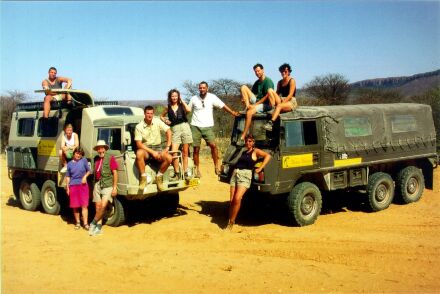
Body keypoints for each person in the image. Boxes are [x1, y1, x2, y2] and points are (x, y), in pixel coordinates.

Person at [188, 81, 239, 178]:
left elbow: (222, 105)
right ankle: (196, 169)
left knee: (213, 146)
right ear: (199, 89)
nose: (202, 89)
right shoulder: (194, 98)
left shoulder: (212, 97)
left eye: (204, 88)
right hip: (195, 126)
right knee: (196, 149)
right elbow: (187, 110)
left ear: (207, 88)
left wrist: (232, 112)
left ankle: (216, 166)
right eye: (200, 88)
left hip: (207, 126)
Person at [226, 135, 271, 231]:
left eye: (250, 141)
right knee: (232, 200)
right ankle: (229, 221)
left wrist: (260, 168)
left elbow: (268, 156)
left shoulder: (256, 151)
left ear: (253, 142)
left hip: (245, 176)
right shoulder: (244, 151)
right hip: (236, 173)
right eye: (247, 141)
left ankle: (232, 223)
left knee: (237, 198)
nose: (248, 143)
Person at [135, 105, 173, 191]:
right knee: (139, 153)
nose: (149, 115)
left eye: (151, 113)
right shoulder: (139, 126)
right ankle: (143, 178)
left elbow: (168, 131)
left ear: (153, 114)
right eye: (148, 113)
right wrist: (152, 152)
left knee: (169, 158)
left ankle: (159, 177)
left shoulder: (157, 121)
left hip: (158, 147)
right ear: (144, 114)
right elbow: (139, 144)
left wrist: (167, 147)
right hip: (146, 149)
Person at [160, 89, 193, 180]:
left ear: (178, 96)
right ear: (170, 97)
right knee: (174, 152)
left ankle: (185, 172)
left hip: (185, 127)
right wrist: (166, 121)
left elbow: (189, 110)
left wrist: (182, 100)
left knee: (185, 152)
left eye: (176, 96)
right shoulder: (168, 107)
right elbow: (161, 116)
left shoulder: (182, 105)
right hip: (174, 128)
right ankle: (177, 172)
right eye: (172, 96)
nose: (174, 97)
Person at [88, 140, 118, 236]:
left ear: (105, 149)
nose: (100, 150)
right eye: (98, 149)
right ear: (97, 150)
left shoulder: (110, 158)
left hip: (107, 184)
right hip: (97, 184)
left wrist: (114, 187)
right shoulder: (96, 159)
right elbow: (92, 171)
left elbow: (115, 173)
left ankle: (93, 223)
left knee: (103, 206)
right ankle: (99, 228)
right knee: (97, 206)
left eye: (102, 148)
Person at [239, 64, 275, 140]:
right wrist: (245, 100)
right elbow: (252, 94)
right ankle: (247, 106)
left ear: (262, 70)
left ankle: (244, 134)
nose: (257, 73)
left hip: (266, 104)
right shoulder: (257, 82)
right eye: (255, 72)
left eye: (258, 71)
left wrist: (254, 105)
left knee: (249, 113)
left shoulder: (268, 81)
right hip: (258, 101)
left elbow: (267, 97)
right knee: (243, 87)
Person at [263, 63, 298, 131]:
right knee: (270, 90)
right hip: (281, 100)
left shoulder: (292, 81)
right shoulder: (279, 82)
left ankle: (270, 124)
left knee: (279, 106)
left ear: (289, 72)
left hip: (290, 101)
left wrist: (281, 104)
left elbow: (290, 95)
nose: (283, 73)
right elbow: (276, 94)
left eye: (285, 71)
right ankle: (272, 108)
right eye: (282, 71)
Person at [65, 147, 90, 230]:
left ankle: (85, 223)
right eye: (77, 153)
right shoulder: (69, 164)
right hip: (73, 186)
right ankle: (78, 223)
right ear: (74, 153)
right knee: (75, 206)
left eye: (80, 154)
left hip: (83, 186)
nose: (78, 155)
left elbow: (89, 171)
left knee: (84, 205)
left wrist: (85, 177)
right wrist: (68, 187)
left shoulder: (84, 161)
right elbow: (68, 176)